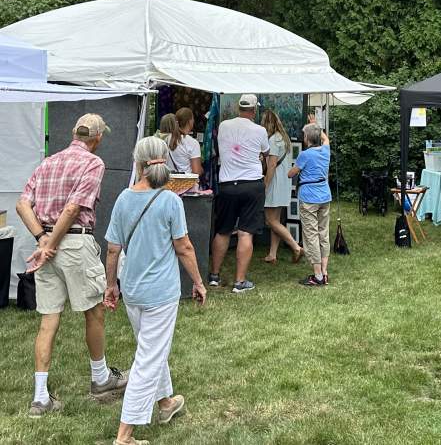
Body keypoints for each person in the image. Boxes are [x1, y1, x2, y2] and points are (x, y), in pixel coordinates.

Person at [16, 114, 129, 418]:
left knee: (47, 321)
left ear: (72, 133)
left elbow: (22, 204)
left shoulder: (48, 162)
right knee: (94, 311)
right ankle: (101, 379)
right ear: (98, 138)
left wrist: (42, 239)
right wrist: (50, 243)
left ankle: (40, 398)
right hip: (74, 244)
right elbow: (73, 207)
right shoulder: (93, 163)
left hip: (47, 247)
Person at [105, 135, 207, 445]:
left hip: (133, 289)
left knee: (151, 349)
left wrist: (111, 285)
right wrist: (200, 283)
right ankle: (124, 436)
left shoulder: (123, 198)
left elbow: (112, 249)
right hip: (160, 293)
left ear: (137, 163)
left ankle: (166, 403)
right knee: (147, 359)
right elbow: (185, 248)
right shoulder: (171, 201)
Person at [210, 94, 270, 293]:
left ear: (238, 108)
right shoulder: (260, 130)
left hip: (228, 184)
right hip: (251, 184)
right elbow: (266, 153)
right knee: (246, 232)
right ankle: (240, 281)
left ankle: (214, 275)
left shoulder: (225, 126)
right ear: (254, 110)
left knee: (223, 230)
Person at [289, 122, 332, 286]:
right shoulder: (325, 151)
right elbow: (326, 139)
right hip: (324, 196)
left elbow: (291, 174)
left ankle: (317, 275)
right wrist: (316, 125)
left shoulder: (304, 155)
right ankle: (325, 271)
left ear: (307, 139)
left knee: (311, 235)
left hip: (309, 198)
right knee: (323, 233)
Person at [262, 109, 304, 264]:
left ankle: (295, 247)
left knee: (270, 221)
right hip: (284, 183)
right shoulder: (284, 139)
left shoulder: (273, 140)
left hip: (274, 182)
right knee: (276, 219)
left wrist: (266, 184)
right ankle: (272, 254)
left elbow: (272, 165)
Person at [167, 108, 203, 177]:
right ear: (189, 121)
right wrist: (201, 169)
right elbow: (196, 172)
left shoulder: (168, 139)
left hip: (172, 183)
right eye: (193, 119)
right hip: (188, 184)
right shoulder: (193, 143)